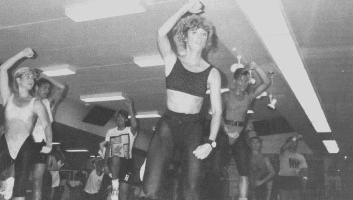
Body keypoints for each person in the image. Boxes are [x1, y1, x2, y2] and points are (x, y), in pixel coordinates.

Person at [142, 1, 223, 200]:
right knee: (150, 190)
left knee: (192, 189)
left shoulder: (212, 73)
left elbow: (218, 112)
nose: (200, 37)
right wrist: (184, 9)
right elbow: (161, 33)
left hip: (193, 128)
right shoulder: (172, 60)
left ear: (207, 41)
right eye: (195, 33)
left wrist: (210, 143)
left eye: (203, 34)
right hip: (168, 126)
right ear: (185, 36)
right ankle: (150, 166)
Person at [0, 48, 53, 200]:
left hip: (25, 146)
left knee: (20, 189)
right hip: (5, 143)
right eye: (27, 77)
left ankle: (14, 191)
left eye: (32, 79)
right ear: (18, 79)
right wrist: (21, 55)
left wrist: (49, 144)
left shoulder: (36, 103)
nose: (31, 80)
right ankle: (3, 186)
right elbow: (3, 68)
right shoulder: (8, 97)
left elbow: (47, 125)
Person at [212, 61, 271, 200]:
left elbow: (266, 82)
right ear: (235, 80)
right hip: (224, 133)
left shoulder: (249, 96)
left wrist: (256, 67)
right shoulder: (226, 95)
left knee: (244, 172)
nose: (244, 84)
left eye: (246, 81)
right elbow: (217, 113)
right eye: (241, 80)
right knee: (215, 170)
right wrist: (226, 130)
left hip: (239, 135)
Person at [31, 77, 68, 200]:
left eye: (48, 88)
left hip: (42, 145)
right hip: (27, 143)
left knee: (37, 181)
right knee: (17, 177)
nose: (47, 90)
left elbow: (62, 88)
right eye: (44, 87)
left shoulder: (48, 102)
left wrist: (46, 77)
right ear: (36, 87)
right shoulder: (29, 102)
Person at [99, 98, 138, 200]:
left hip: (127, 162)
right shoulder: (110, 132)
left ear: (126, 119)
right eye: (118, 118)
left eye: (121, 117)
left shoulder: (130, 131)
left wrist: (130, 108)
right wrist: (105, 164)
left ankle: (118, 191)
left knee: (124, 191)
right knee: (115, 156)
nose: (119, 119)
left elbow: (134, 124)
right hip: (114, 162)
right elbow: (108, 148)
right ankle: (114, 186)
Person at [277, 135, 308, 200]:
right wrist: (296, 138)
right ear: (289, 144)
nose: (294, 144)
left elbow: (305, 174)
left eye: (296, 142)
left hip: (295, 180)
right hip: (284, 180)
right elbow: (283, 148)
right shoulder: (283, 153)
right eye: (292, 142)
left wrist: (304, 188)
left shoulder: (300, 157)